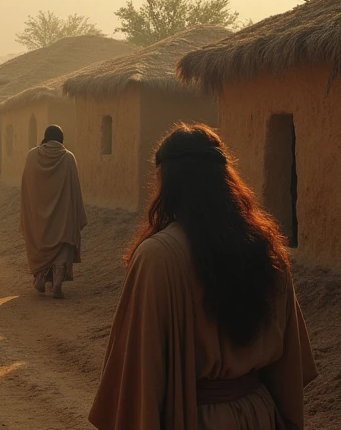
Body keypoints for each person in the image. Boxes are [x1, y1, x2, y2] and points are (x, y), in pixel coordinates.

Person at [89, 124, 317, 430]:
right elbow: (289, 365)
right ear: (225, 180)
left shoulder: (157, 257)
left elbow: (140, 373)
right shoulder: (266, 248)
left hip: (195, 419)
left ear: (167, 184)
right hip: (259, 415)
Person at [19, 125, 86, 299]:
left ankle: (40, 277)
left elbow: (26, 187)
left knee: (39, 243)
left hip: (37, 216)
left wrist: (30, 210)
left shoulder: (31, 156)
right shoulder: (69, 158)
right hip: (62, 215)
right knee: (62, 246)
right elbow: (75, 190)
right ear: (61, 139)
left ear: (45, 138)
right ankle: (57, 282)